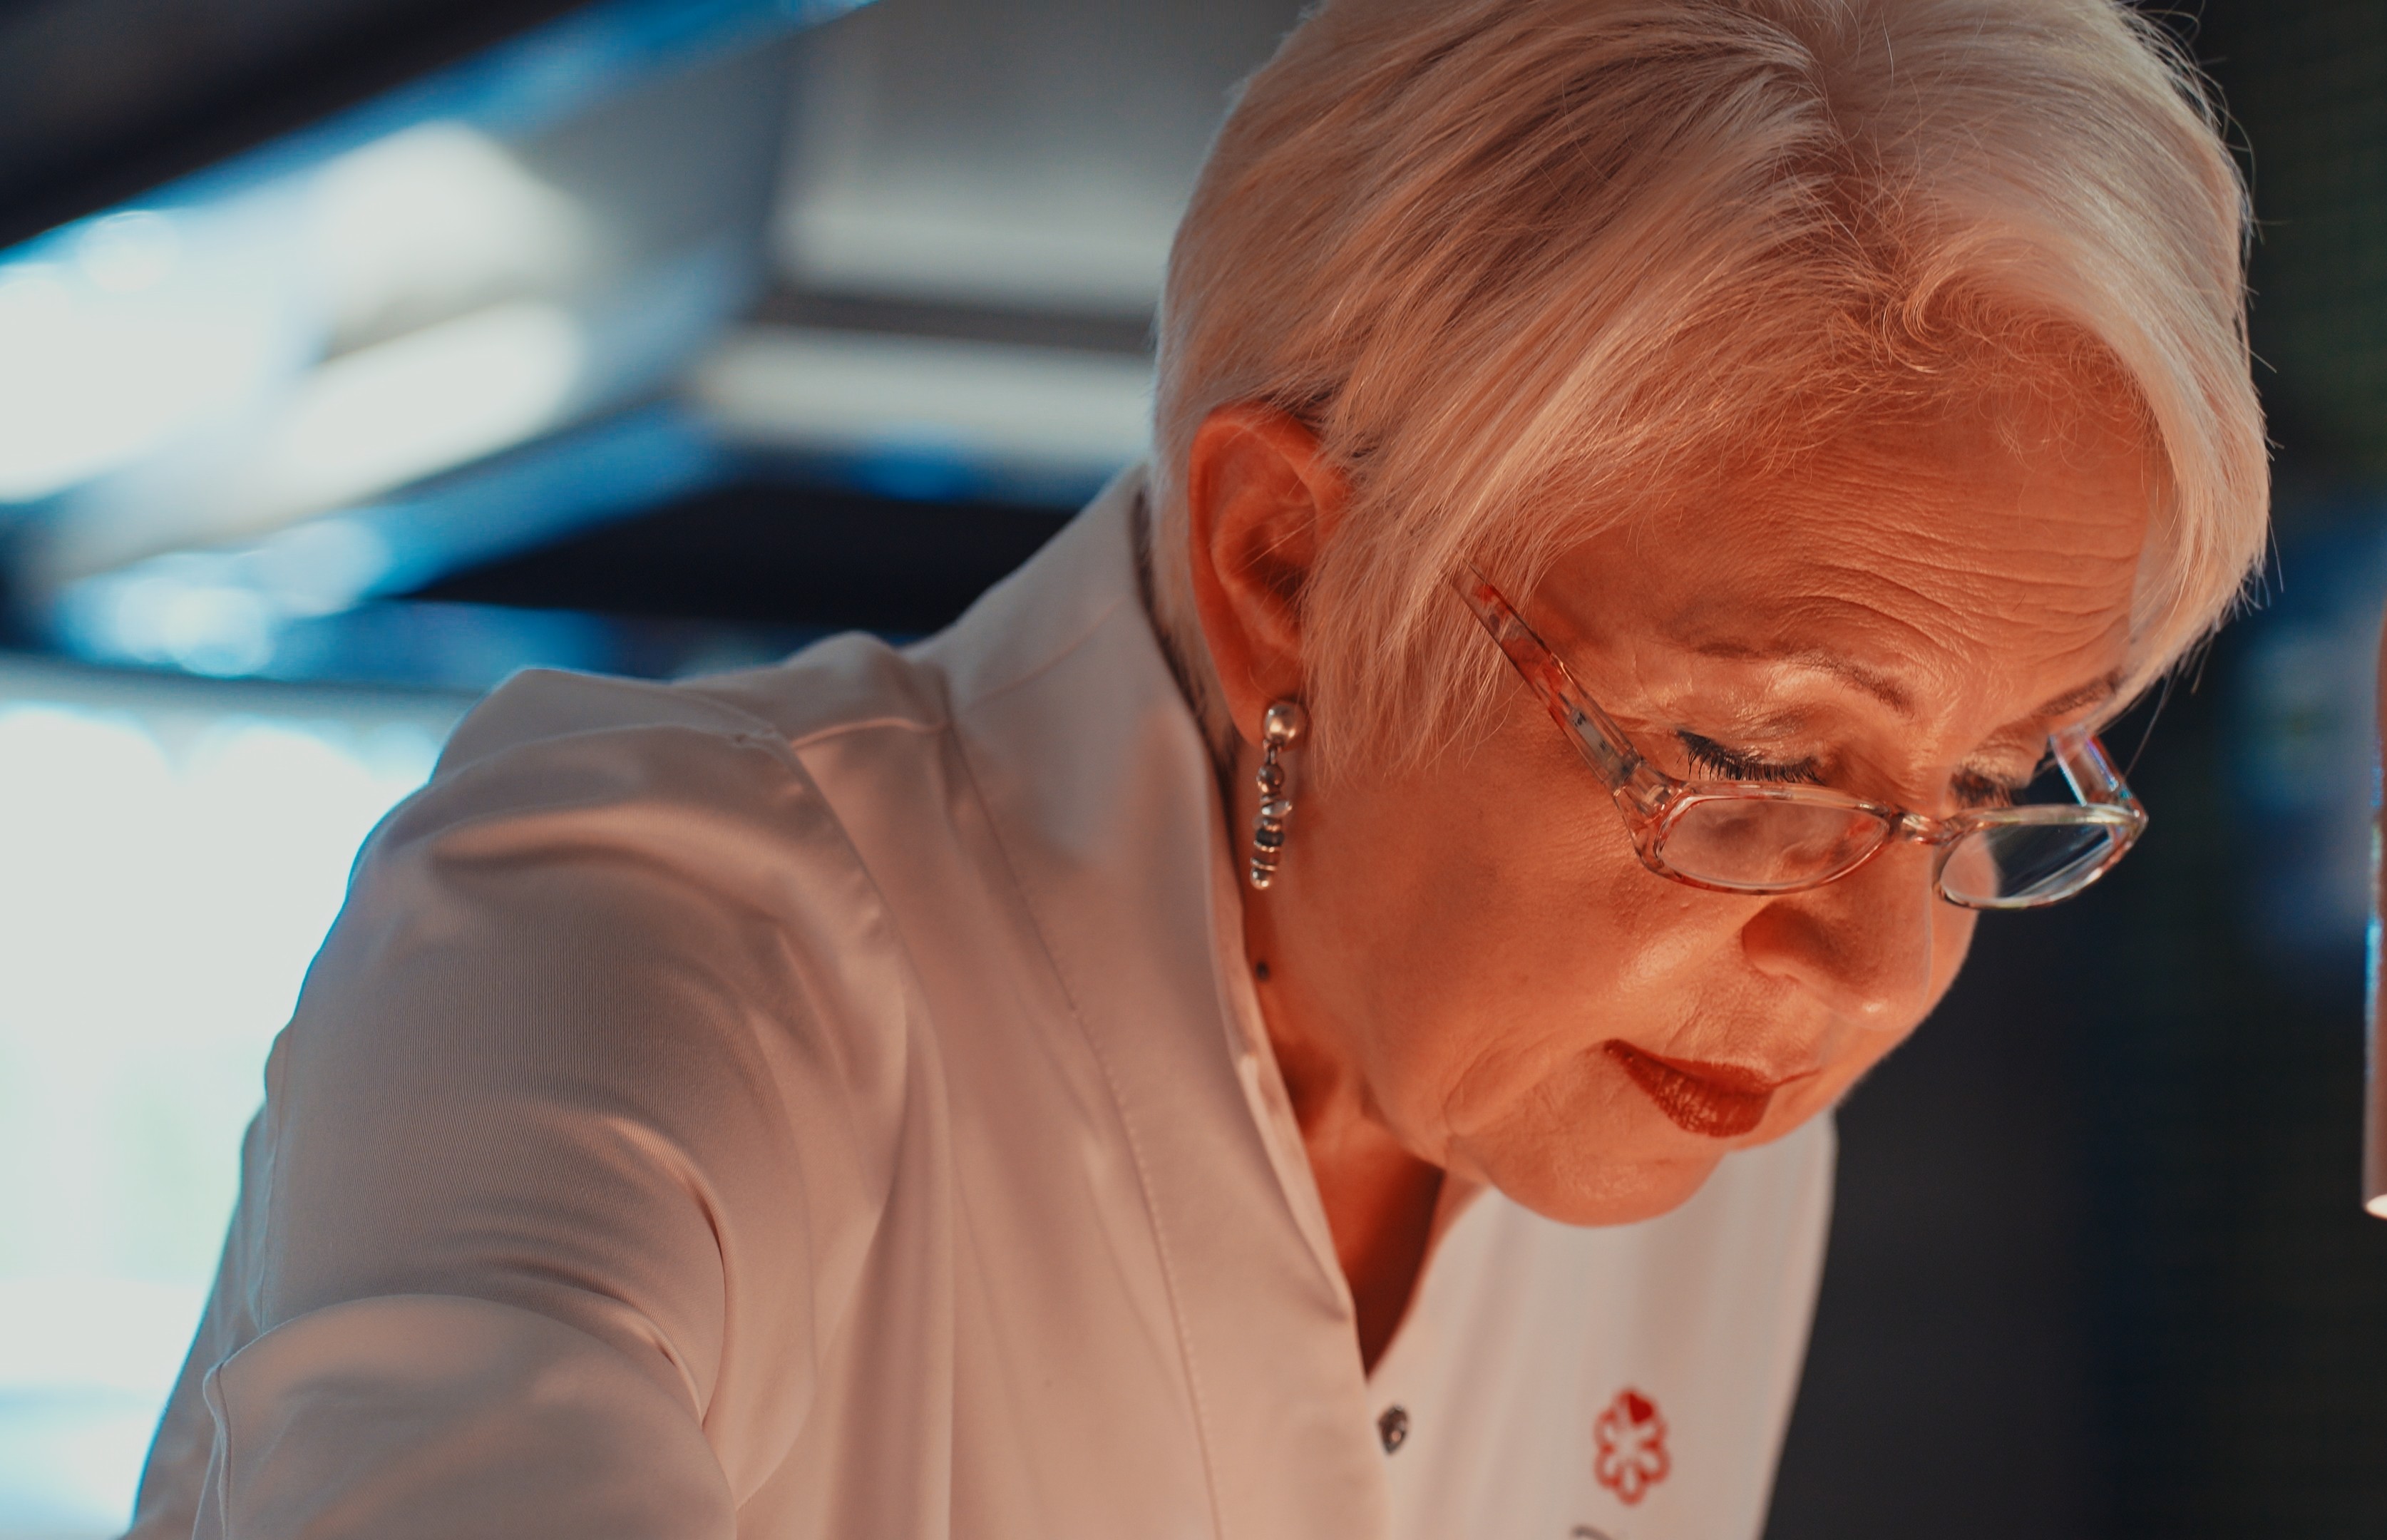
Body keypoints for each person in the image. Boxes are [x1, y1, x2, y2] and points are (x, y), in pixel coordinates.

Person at [125, 0, 2264, 1535]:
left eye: (1994, 784)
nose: (1872, 972)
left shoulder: (1694, 1112)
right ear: (1288, 568)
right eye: (1757, 758)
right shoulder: (648, 916)